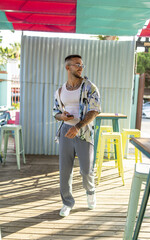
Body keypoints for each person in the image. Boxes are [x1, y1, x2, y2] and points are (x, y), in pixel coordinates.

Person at [53, 54, 101, 217]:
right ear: (68, 67)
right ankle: (67, 202)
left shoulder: (90, 87)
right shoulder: (60, 91)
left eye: (82, 65)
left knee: (86, 170)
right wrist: (63, 117)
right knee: (64, 170)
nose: (81, 67)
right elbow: (55, 113)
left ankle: (90, 191)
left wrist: (78, 127)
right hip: (66, 132)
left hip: (84, 133)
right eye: (77, 65)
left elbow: (94, 111)